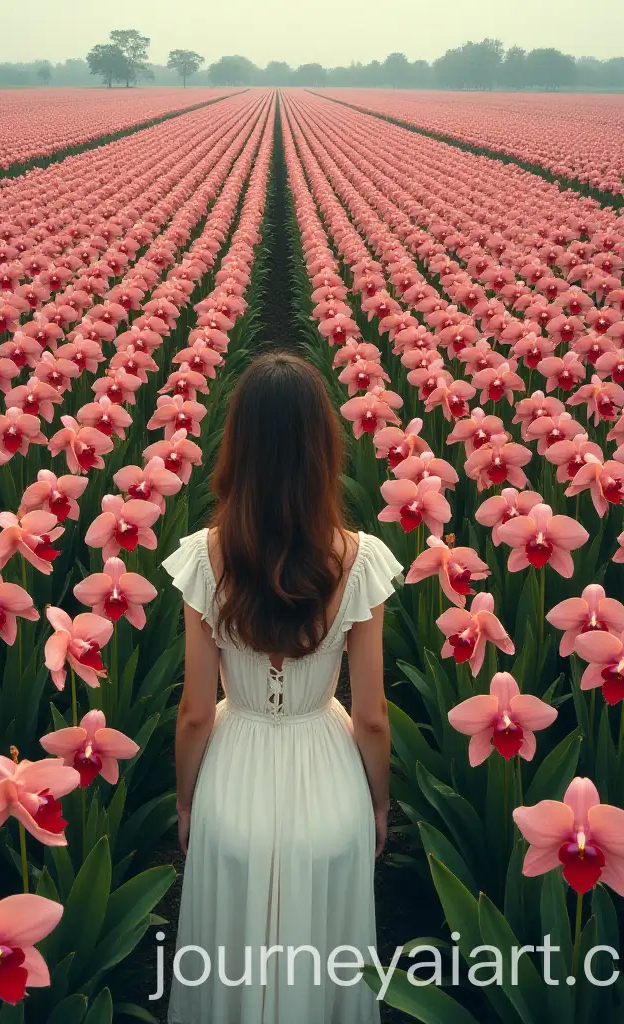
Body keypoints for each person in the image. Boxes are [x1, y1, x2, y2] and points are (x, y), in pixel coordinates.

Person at [163, 351, 402, 1024]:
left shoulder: (206, 558)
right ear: (323, 449)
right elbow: (374, 714)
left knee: (228, 965)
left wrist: (186, 802)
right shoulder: (358, 561)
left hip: (233, 780)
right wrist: (379, 805)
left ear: (236, 446)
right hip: (327, 782)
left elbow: (192, 712)